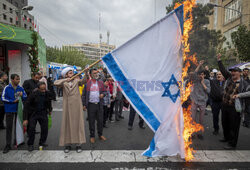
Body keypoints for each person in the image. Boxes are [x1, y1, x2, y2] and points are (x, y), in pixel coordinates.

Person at [217, 54, 250, 149]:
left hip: (235, 108)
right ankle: (226, 138)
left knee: (233, 126)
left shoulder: (244, 83)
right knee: (224, 122)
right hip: (225, 105)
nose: (232, 73)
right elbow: (223, 70)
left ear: (240, 73)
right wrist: (219, 60)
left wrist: (239, 95)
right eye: (232, 71)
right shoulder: (229, 78)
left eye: (235, 71)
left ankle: (232, 143)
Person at [54, 67, 87, 153]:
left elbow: (84, 81)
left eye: (72, 72)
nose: (71, 74)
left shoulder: (77, 81)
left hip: (77, 106)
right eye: (69, 73)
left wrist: (86, 73)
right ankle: (67, 144)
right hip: (67, 107)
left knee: (77, 124)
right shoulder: (64, 83)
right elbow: (55, 83)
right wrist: (66, 80)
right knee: (67, 125)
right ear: (66, 75)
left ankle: (78, 144)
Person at [23, 82, 52, 151]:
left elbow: (49, 102)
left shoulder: (47, 93)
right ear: (38, 89)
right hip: (33, 113)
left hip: (43, 112)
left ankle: (42, 142)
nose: (43, 91)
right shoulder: (33, 94)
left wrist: (50, 110)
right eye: (42, 89)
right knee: (31, 129)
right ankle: (30, 144)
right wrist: (25, 119)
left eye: (44, 89)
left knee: (45, 128)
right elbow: (26, 106)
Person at [2, 74, 27, 153]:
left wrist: (22, 95)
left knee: (18, 126)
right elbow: (2, 98)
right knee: (9, 128)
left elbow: (25, 97)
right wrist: (12, 101)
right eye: (17, 79)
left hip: (18, 110)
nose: (18, 81)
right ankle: (8, 145)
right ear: (12, 80)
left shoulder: (21, 88)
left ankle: (17, 141)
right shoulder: (7, 87)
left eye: (19, 79)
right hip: (9, 110)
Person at [82, 68, 107, 144]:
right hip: (91, 105)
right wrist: (84, 104)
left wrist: (103, 94)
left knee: (100, 121)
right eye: (94, 73)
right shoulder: (87, 84)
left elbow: (105, 91)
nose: (96, 74)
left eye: (97, 73)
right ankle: (92, 136)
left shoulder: (101, 83)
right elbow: (83, 95)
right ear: (90, 74)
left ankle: (100, 134)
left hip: (99, 105)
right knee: (91, 121)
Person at [190, 60, 211, 139]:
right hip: (195, 101)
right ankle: (192, 133)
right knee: (193, 119)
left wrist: (202, 83)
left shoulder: (207, 81)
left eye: (202, 74)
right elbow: (194, 74)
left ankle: (200, 133)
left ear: (204, 75)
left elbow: (208, 91)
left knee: (201, 120)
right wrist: (199, 65)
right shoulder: (195, 80)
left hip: (203, 102)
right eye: (200, 75)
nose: (200, 76)